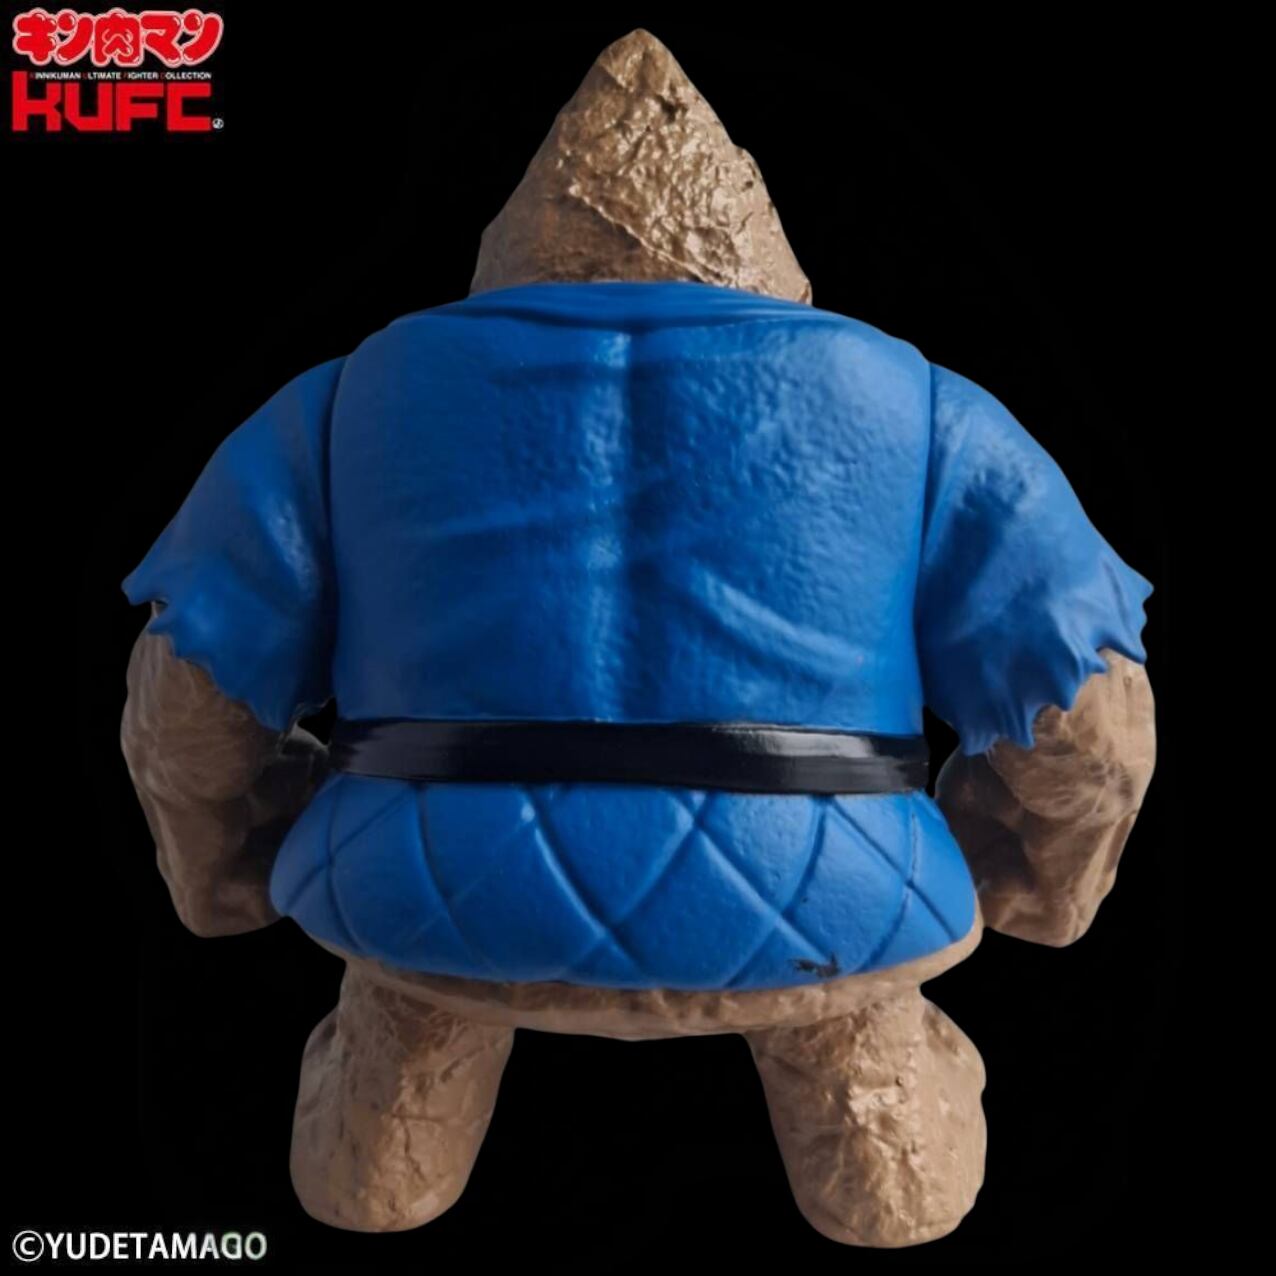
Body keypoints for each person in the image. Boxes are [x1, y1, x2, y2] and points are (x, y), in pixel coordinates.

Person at [119, 28, 1156, 1247]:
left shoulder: (348, 400)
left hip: (430, 884)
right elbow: (1091, 728)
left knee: (373, 1171)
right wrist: (1032, 885)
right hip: (822, 889)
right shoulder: (924, 407)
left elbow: (186, 699)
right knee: (892, 1193)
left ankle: (379, 1165)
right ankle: (885, 1175)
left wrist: (220, 871)